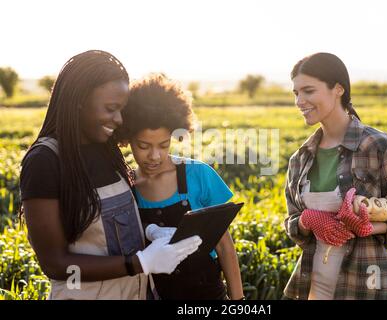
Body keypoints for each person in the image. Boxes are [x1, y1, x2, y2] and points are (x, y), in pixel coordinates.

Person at [19, 50, 201, 300]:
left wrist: (149, 233)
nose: (118, 119)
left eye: (122, 110)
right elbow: (56, 265)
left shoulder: (106, 151)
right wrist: (139, 263)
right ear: (80, 100)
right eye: (111, 109)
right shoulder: (45, 161)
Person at [283, 52, 387, 300]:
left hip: (367, 287)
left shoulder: (378, 146)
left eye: (308, 91)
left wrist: (367, 227)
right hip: (314, 287)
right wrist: (307, 220)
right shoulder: (300, 158)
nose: (300, 101)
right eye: (296, 93)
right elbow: (292, 222)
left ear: (338, 89)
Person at [117, 74, 244, 300]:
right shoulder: (126, 186)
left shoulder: (199, 175)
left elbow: (225, 247)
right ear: (128, 138)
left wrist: (238, 301)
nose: (154, 156)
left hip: (208, 293)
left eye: (163, 145)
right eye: (143, 146)